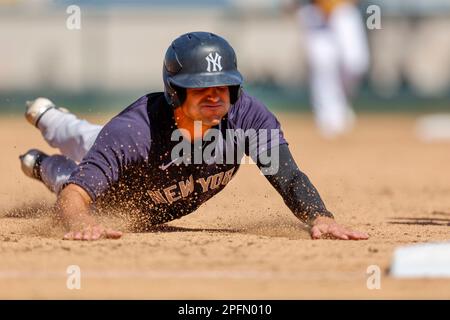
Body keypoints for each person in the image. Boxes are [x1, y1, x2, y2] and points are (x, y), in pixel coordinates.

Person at [19, 31, 368, 241]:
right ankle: (49, 119)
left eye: (224, 86)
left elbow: (288, 175)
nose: (216, 97)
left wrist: (320, 216)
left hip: (137, 177)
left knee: (66, 163)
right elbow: (75, 198)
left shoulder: (247, 116)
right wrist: (81, 222)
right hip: (118, 179)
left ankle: (39, 163)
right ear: (175, 92)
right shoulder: (132, 133)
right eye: (201, 89)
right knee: (77, 156)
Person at [296, 0, 370, 138]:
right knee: (323, 65)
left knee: (357, 63)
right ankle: (327, 116)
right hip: (314, 11)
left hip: (343, 9)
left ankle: (340, 103)